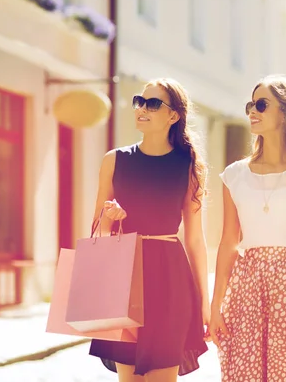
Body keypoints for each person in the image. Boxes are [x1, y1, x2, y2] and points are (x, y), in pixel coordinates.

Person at [209, 75, 286, 381]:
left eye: (262, 104)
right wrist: (215, 306)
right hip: (246, 291)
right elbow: (228, 242)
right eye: (250, 104)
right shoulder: (234, 175)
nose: (253, 110)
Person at [88, 78, 209, 382]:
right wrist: (109, 217)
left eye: (153, 104)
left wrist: (204, 304)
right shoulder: (114, 160)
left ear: (174, 115)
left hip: (170, 280)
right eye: (139, 102)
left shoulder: (190, 165)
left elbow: (195, 240)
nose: (142, 109)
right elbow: (97, 233)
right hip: (122, 277)